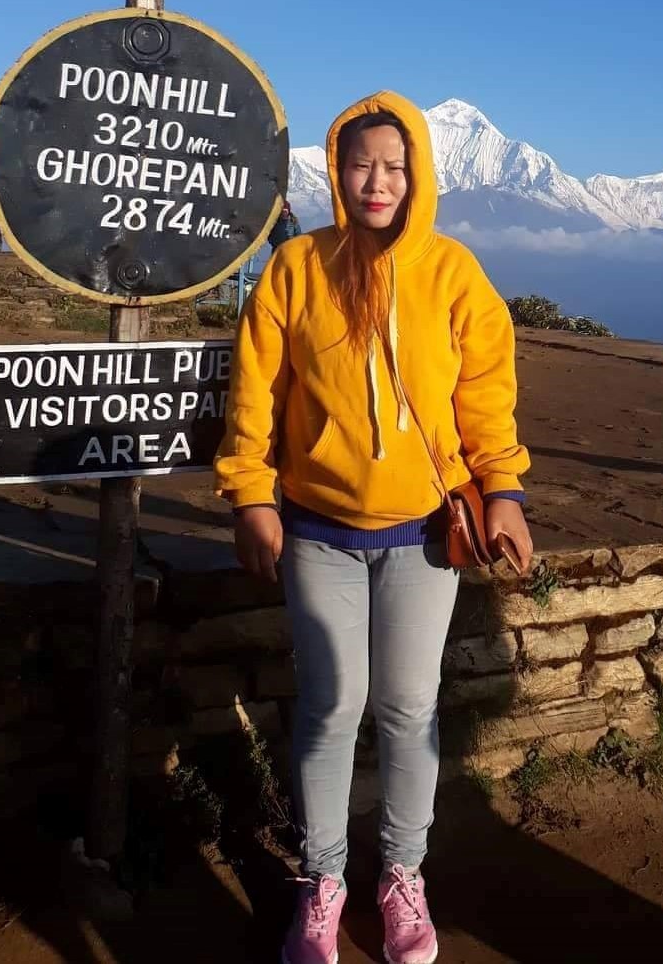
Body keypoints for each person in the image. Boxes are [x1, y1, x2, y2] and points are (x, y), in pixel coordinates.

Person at [215, 90, 533, 964]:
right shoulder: (295, 270)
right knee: (329, 709)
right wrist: (250, 492)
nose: (377, 180)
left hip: (424, 535)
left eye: (394, 165)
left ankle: (402, 876)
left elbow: (485, 392)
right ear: (337, 170)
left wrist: (502, 487)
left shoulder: (452, 273)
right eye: (361, 164)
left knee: (405, 708)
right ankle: (323, 882)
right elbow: (256, 392)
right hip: (318, 531)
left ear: (418, 173)